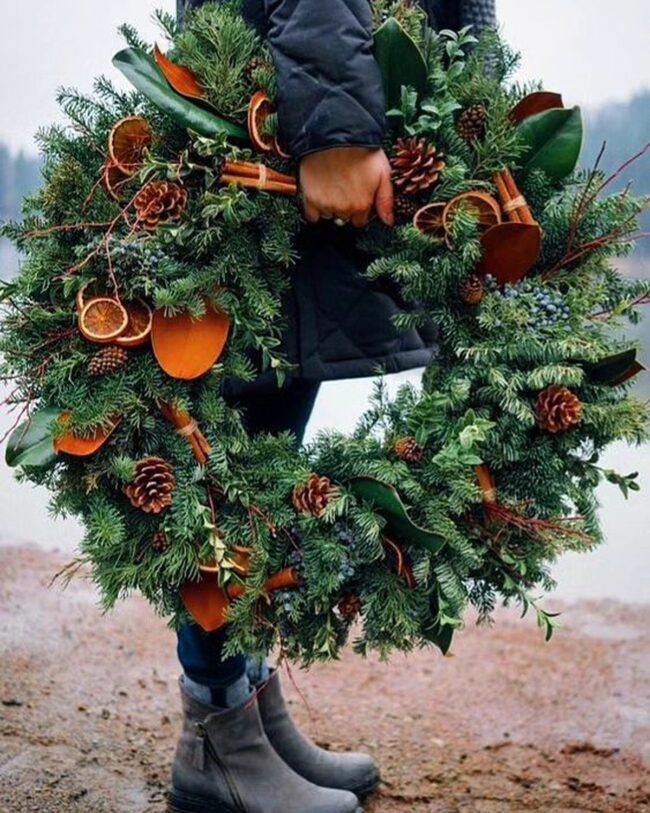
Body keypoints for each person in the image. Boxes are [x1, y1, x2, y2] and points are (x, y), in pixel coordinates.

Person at [170, 2, 497, 812]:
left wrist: (467, 95)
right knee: (243, 420)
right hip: (297, 91)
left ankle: (245, 700)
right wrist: (337, 125)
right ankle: (215, 730)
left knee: (285, 377)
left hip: (329, 76)